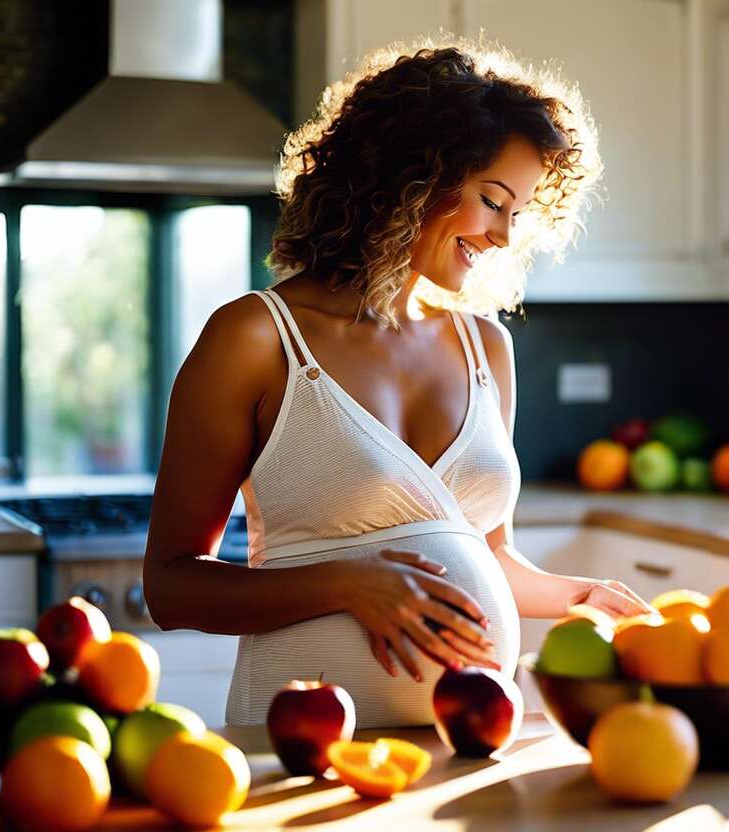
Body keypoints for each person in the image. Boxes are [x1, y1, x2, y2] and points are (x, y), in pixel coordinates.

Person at [143, 38, 651, 727]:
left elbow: (487, 554)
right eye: (492, 200)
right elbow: (171, 587)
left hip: (463, 749)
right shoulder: (256, 339)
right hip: (298, 753)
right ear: (411, 176)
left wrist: (576, 596)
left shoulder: (486, 348)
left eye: (519, 212)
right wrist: (347, 585)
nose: (504, 236)